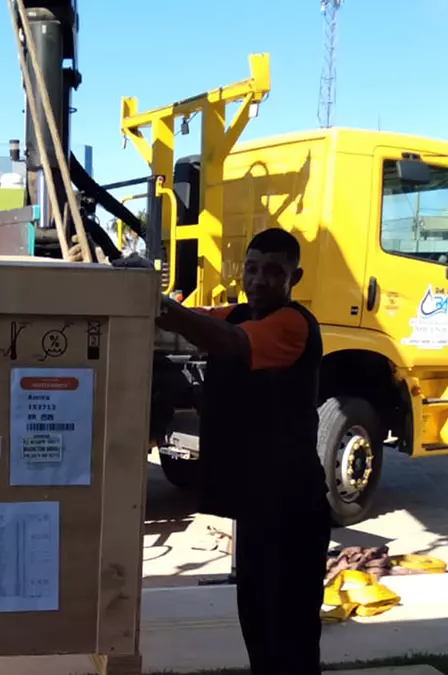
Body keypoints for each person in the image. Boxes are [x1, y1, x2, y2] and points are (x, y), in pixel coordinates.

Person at [139, 228, 330, 674]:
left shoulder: (293, 324)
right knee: (258, 626)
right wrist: (145, 299)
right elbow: (196, 324)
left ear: (294, 277)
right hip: (259, 505)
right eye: (252, 268)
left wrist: (163, 306)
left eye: (273, 272)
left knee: (291, 636)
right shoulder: (238, 314)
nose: (259, 280)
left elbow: (229, 342)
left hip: (294, 508)